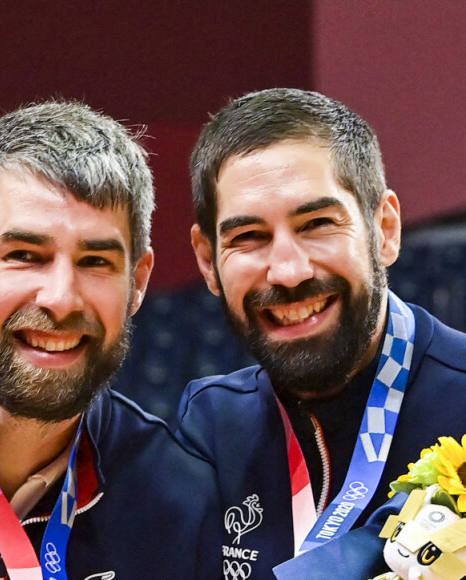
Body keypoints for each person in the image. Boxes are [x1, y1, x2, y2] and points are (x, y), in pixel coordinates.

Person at [0, 101, 222, 579]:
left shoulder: (182, 501)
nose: (61, 299)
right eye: (25, 255)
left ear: (139, 282)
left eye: (96, 262)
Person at [175, 87, 466, 578]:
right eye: (249, 237)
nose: (287, 270)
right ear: (207, 261)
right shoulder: (210, 425)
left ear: (385, 230)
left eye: (317, 224)